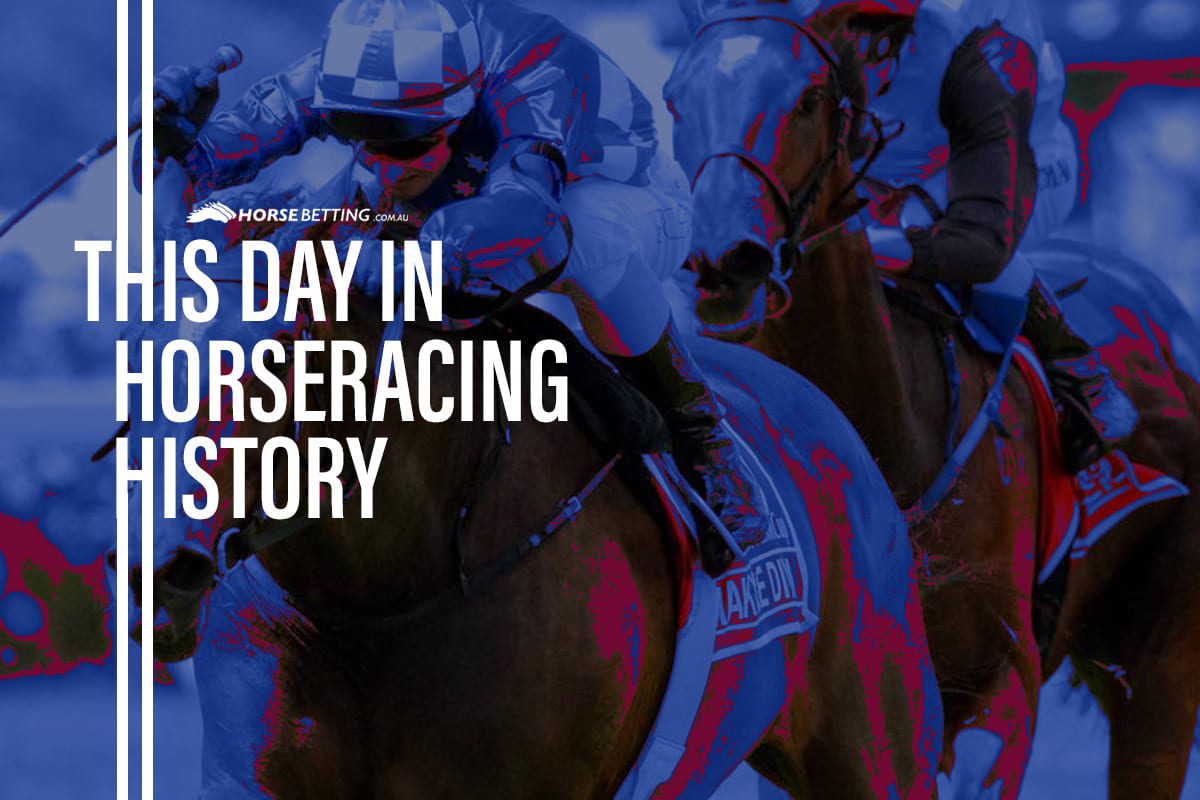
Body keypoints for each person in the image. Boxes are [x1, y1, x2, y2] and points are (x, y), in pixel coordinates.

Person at [146, 0, 766, 566]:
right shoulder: (364, 63)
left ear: (464, 104)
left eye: (407, 143)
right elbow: (246, 139)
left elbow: (527, 209)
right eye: (361, 137)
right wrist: (180, 147)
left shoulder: (537, 71)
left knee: (588, 229)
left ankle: (702, 438)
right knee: (315, 214)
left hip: (608, 193)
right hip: (464, 191)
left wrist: (405, 261)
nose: (385, 164)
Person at [809, 0, 1138, 472]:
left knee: (915, 229)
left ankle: (1081, 373)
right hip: (892, 158)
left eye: (872, 36)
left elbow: (981, 243)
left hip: (1018, 155)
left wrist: (860, 247)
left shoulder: (987, 51)